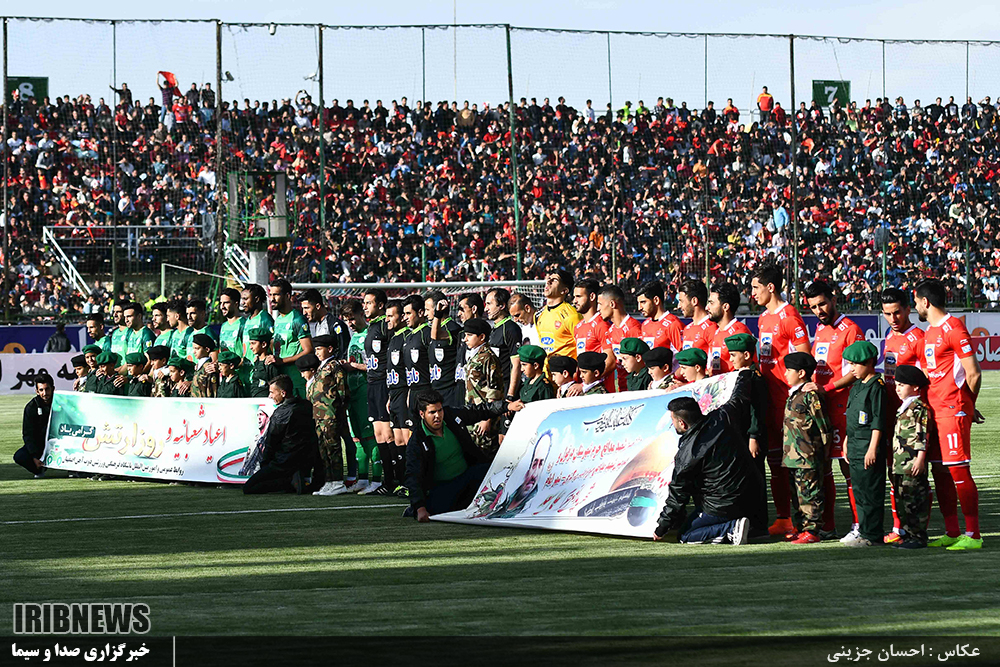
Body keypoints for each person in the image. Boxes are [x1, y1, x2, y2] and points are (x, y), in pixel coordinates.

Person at [914, 280, 983, 550]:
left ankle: (973, 535)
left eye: (916, 302)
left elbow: (973, 373)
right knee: (940, 472)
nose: (916, 307)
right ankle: (952, 531)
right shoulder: (929, 332)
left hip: (952, 410)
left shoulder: (954, 328)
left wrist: (967, 404)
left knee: (958, 470)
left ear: (926, 302)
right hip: (934, 410)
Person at [653, 370, 759, 545]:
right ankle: (754, 528)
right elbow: (739, 397)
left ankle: (731, 528)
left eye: (673, 420)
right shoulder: (723, 416)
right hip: (753, 496)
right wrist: (744, 375)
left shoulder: (688, 453)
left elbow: (678, 494)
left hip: (721, 506)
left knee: (686, 535)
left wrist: (661, 527)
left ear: (682, 423)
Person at [751, 262, 811, 536]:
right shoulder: (764, 318)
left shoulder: (789, 317)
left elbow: (804, 358)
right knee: (775, 462)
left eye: (756, 287)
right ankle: (784, 517)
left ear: (771, 287)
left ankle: (802, 520)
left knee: (793, 463)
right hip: (769, 398)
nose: (753, 293)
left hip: (786, 401)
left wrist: (796, 392)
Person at [802, 279, 865, 539]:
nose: (819, 310)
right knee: (824, 469)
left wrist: (826, 388)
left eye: (822, 304)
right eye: (813, 307)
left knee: (849, 469)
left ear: (834, 299)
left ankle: (859, 526)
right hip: (822, 410)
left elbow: (857, 371)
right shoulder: (820, 329)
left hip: (843, 409)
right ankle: (828, 526)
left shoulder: (851, 330)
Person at [404, 389, 524, 521]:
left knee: (495, 470)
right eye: (432, 412)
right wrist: (420, 508)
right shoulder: (417, 441)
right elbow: (413, 476)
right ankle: (414, 509)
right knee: (438, 510)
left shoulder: (451, 416)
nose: (437, 416)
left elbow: (479, 410)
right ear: (422, 414)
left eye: (440, 410)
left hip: (468, 477)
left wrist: (507, 406)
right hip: (442, 489)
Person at [880, 287, 925, 543]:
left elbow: (927, 377)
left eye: (897, 312)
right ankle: (899, 528)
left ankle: (916, 529)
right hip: (891, 411)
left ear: (908, 309)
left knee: (914, 476)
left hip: (910, 417)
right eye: (887, 314)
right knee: (894, 472)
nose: (893, 318)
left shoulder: (918, 338)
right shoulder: (889, 336)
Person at [781, 352, 832, 544]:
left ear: (801, 373)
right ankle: (800, 527)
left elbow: (823, 426)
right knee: (796, 495)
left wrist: (823, 453)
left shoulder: (811, 395)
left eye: (789, 370)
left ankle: (812, 530)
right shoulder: (794, 394)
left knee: (810, 494)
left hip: (808, 455)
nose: (786, 374)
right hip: (792, 455)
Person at [841, 341, 886, 548]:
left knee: (871, 492)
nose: (851, 369)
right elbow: (851, 416)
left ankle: (873, 534)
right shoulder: (857, 386)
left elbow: (878, 420)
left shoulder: (877, 387)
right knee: (859, 491)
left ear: (868, 363)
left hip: (868, 445)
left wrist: (872, 448)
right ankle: (863, 530)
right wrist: (846, 440)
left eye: (855, 364)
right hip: (855, 445)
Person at [243, 375, 319, 495]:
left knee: (249, 488)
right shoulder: (306, 405)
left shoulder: (280, 413)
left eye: (272, 392)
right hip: (307, 459)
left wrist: (265, 465)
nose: (270, 396)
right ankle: (295, 479)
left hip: (284, 462)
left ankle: (289, 482)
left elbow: (271, 443)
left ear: (283, 393)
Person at [726, 333, 768, 534]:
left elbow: (757, 410)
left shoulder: (754, 377)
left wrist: (754, 436)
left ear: (747, 355)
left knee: (755, 480)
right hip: (739, 435)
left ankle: (758, 525)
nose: (730, 359)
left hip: (750, 437)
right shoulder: (739, 375)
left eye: (734, 355)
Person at [889, 365, 932, 550]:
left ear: (915, 387)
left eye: (902, 385)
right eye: (896, 385)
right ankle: (907, 534)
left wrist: (920, 459)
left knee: (914, 501)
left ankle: (918, 536)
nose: (897, 389)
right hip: (899, 463)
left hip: (912, 462)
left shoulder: (918, 408)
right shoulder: (903, 407)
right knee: (902, 500)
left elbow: (922, 435)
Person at [340, 299, 379, 494]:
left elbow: (377, 365)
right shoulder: (353, 336)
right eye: (347, 320)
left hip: (366, 390)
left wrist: (353, 366)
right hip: (353, 392)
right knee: (356, 437)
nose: (350, 323)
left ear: (361, 314)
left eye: (352, 319)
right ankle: (362, 479)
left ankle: (377, 480)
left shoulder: (371, 334)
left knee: (370, 436)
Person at [306, 335, 352, 496]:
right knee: (323, 449)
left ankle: (338, 481)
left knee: (333, 447)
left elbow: (342, 391)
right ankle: (330, 481)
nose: (317, 352)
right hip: (319, 414)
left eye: (320, 349)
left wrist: (339, 410)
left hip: (331, 414)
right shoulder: (321, 367)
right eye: (316, 349)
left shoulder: (334, 366)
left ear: (330, 349)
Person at [363, 288, 393, 494]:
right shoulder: (372, 327)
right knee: (379, 434)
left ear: (380, 305)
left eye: (369, 302)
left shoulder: (385, 326)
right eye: (364, 303)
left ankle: (396, 480)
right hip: (372, 383)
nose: (365, 306)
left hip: (383, 383)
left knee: (389, 434)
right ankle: (387, 481)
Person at [462, 317, 503, 453]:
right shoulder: (475, 355)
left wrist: (487, 418)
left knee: (485, 454)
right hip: (473, 413)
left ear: (482, 337)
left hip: (484, 416)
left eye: (469, 335)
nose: (465, 339)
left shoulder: (488, 357)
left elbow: (495, 389)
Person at [268, 279, 314, 398]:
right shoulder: (278, 320)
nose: (272, 299)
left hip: (296, 380)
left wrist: (282, 361)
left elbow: (308, 350)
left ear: (287, 296)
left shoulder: (297, 319)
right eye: (271, 295)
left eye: (276, 295)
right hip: (281, 380)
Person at [384, 300, 411, 494]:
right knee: (398, 440)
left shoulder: (407, 337)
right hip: (393, 394)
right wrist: (389, 396)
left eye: (391, 316)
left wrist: (408, 392)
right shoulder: (393, 338)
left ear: (401, 317)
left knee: (407, 439)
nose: (387, 320)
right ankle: (402, 482)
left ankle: (412, 482)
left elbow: (410, 368)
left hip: (404, 393)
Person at [599, 284, 641, 392]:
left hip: (635, 389)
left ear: (612, 304)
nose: (598, 309)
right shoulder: (611, 330)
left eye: (600, 304)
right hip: (621, 388)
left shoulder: (633, 328)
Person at [426, 290, 464, 408]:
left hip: (449, 391)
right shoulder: (432, 329)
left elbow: (436, 335)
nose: (425, 314)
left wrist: (437, 314)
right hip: (436, 389)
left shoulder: (452, 328)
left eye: (427, 310)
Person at [485, 288, 524, 403]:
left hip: (505, 389)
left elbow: (516, 364)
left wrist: (510, 395)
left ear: (501, 306)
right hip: (493, 389)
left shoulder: (510, 328)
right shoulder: (494, 328)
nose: (486, 309)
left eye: (489, 304)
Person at [534, 269, 582, 359]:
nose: (549, 282)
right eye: (549, 278)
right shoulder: (538, 315)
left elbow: (582, 346)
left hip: (566, 367)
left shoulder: (572, 315)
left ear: (564, 290)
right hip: (547, 367)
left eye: (555, 280)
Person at [402, 295, 433, 437]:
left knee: (428, 435)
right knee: (413, 435)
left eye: (409, 313)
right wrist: (410, 392)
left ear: (420, 313)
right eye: (404, 314)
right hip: (413, 392)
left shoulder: (427, 334)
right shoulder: (409, 337)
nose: (405, 318)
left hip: (426, 391)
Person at [707, 283, 752, 375]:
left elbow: (748, 370)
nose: (707, 307)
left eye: (711, 303)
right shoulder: (716, 332)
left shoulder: (739, 332)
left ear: (725, 307)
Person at [13, 374, 53, 477]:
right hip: (40, 444)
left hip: (58, 443)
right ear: (37, 391)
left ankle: (73, 471)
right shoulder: (31, 407)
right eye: (41, 390)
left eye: (47, 389)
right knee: (19, 456)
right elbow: (28, 434)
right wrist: (34, 456)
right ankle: (39, 470)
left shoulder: (62, 403)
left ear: (53, 388)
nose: (45, 393)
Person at [301, 288, 350, 359]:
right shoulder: (317, 325)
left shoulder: (335, 325)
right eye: (303, 308)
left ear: (318, 306)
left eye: (307, 308)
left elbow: (344, 352)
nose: (304, 313)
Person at [636, 280, 683, 354]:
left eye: (643, 302)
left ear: (656, 300)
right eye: (638, 303)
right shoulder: (645, 325)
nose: (639, 308)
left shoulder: (673, 324)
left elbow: (682, 355)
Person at [678, 280, 719, 355]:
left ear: (694, 301)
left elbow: (716, 360)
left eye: (681, 301)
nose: (679, 306)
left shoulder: (712, 328)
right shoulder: (687, 329)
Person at [240, 284, 275, 367]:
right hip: (247, 370)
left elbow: (272, 345)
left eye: (246, 299)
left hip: (259, 369)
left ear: (256, 299)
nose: (242, 303)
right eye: (242, 299)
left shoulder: (265, 319)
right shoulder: (248, 320)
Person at [248, 329, 282, 398]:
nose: (250, 347)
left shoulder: (269, 364)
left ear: (263, 344)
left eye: (253, 343)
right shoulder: (257, 361)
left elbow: (275, 384)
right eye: (250, 344)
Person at [190, 333, 219, 399]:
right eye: (193, 348)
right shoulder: (198, 366)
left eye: (197, 348)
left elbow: (212, 390)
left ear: (207, 349)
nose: (194, 352)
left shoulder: (209, 367)